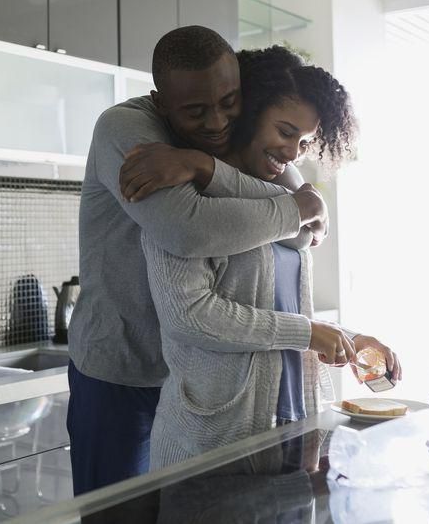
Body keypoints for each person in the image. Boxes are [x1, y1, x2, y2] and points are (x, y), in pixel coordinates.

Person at [68, 27, 348, 495]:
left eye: (229, 102)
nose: (217, 123)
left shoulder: (230, 140)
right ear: (162, 103)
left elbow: (303, 233)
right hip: (122, 364)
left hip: (191, 376)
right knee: (118, 516)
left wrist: (303, 206)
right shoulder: (127, 131)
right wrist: (299, 208)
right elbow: (188, 230)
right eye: (196, 111)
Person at [128, 46, 401, 468]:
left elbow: (282, 308)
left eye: (305, 141)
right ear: (251, 112)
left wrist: (347, 339)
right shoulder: (187, 197)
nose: (294, 152)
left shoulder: (285, 198)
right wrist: (308, 333)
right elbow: (189, 316)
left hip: (293, 425)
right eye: (286, 131)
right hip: (212, 438)